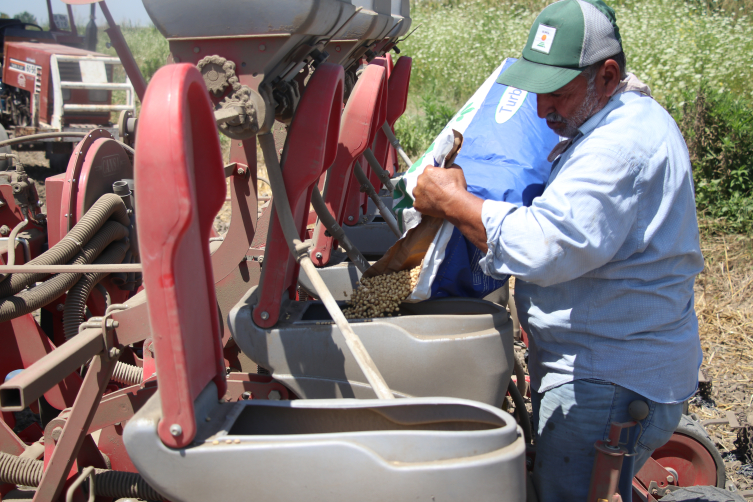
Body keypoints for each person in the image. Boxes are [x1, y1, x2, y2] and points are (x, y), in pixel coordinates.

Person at [411, 0, 704, 500]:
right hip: (611, 365)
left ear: (607, 76)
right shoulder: (618, 116)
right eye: (536, 93)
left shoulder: (619, 147)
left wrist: (457, 202)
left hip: (607, 382)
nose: (543, 110)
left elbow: (547, 246)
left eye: (558, 95)